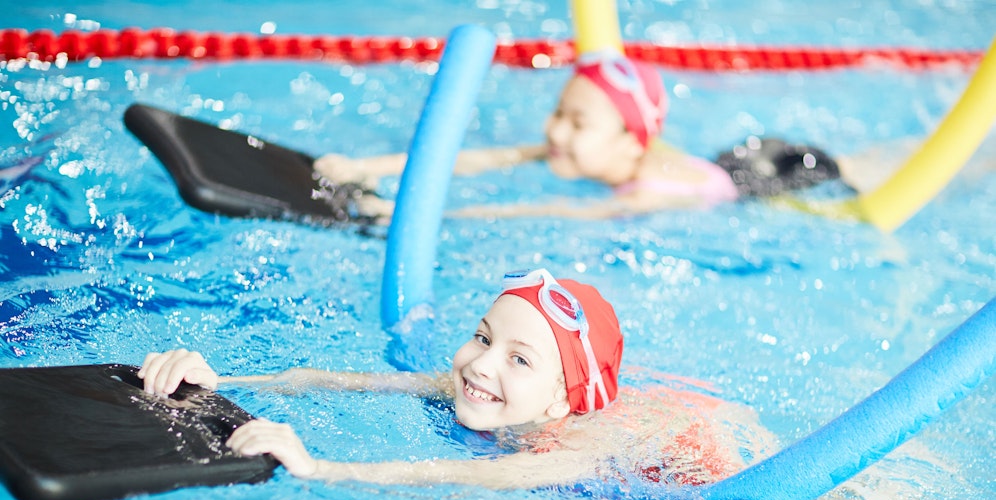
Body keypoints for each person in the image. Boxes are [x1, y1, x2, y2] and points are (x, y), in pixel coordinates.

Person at [139, 268, 773, 490]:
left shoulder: (570, 448)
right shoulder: (483, 386)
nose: (481, 364)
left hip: (712, 469)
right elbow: (342, 380)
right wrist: (227, 378)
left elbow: (473, 474)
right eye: (483, 336)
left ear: (560, 402)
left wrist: (322, 468)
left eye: (519, 359)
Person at [318, 50, 879, 222]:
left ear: (629, 144)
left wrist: (408, 214)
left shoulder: (644, 194)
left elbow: (545, 211)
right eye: (560, 111)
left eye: (578, 122)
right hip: (733, 156)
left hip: (772, 177)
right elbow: (484, 158)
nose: (555, 130)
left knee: (864, 172)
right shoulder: (586, 150)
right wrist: (370, 167)